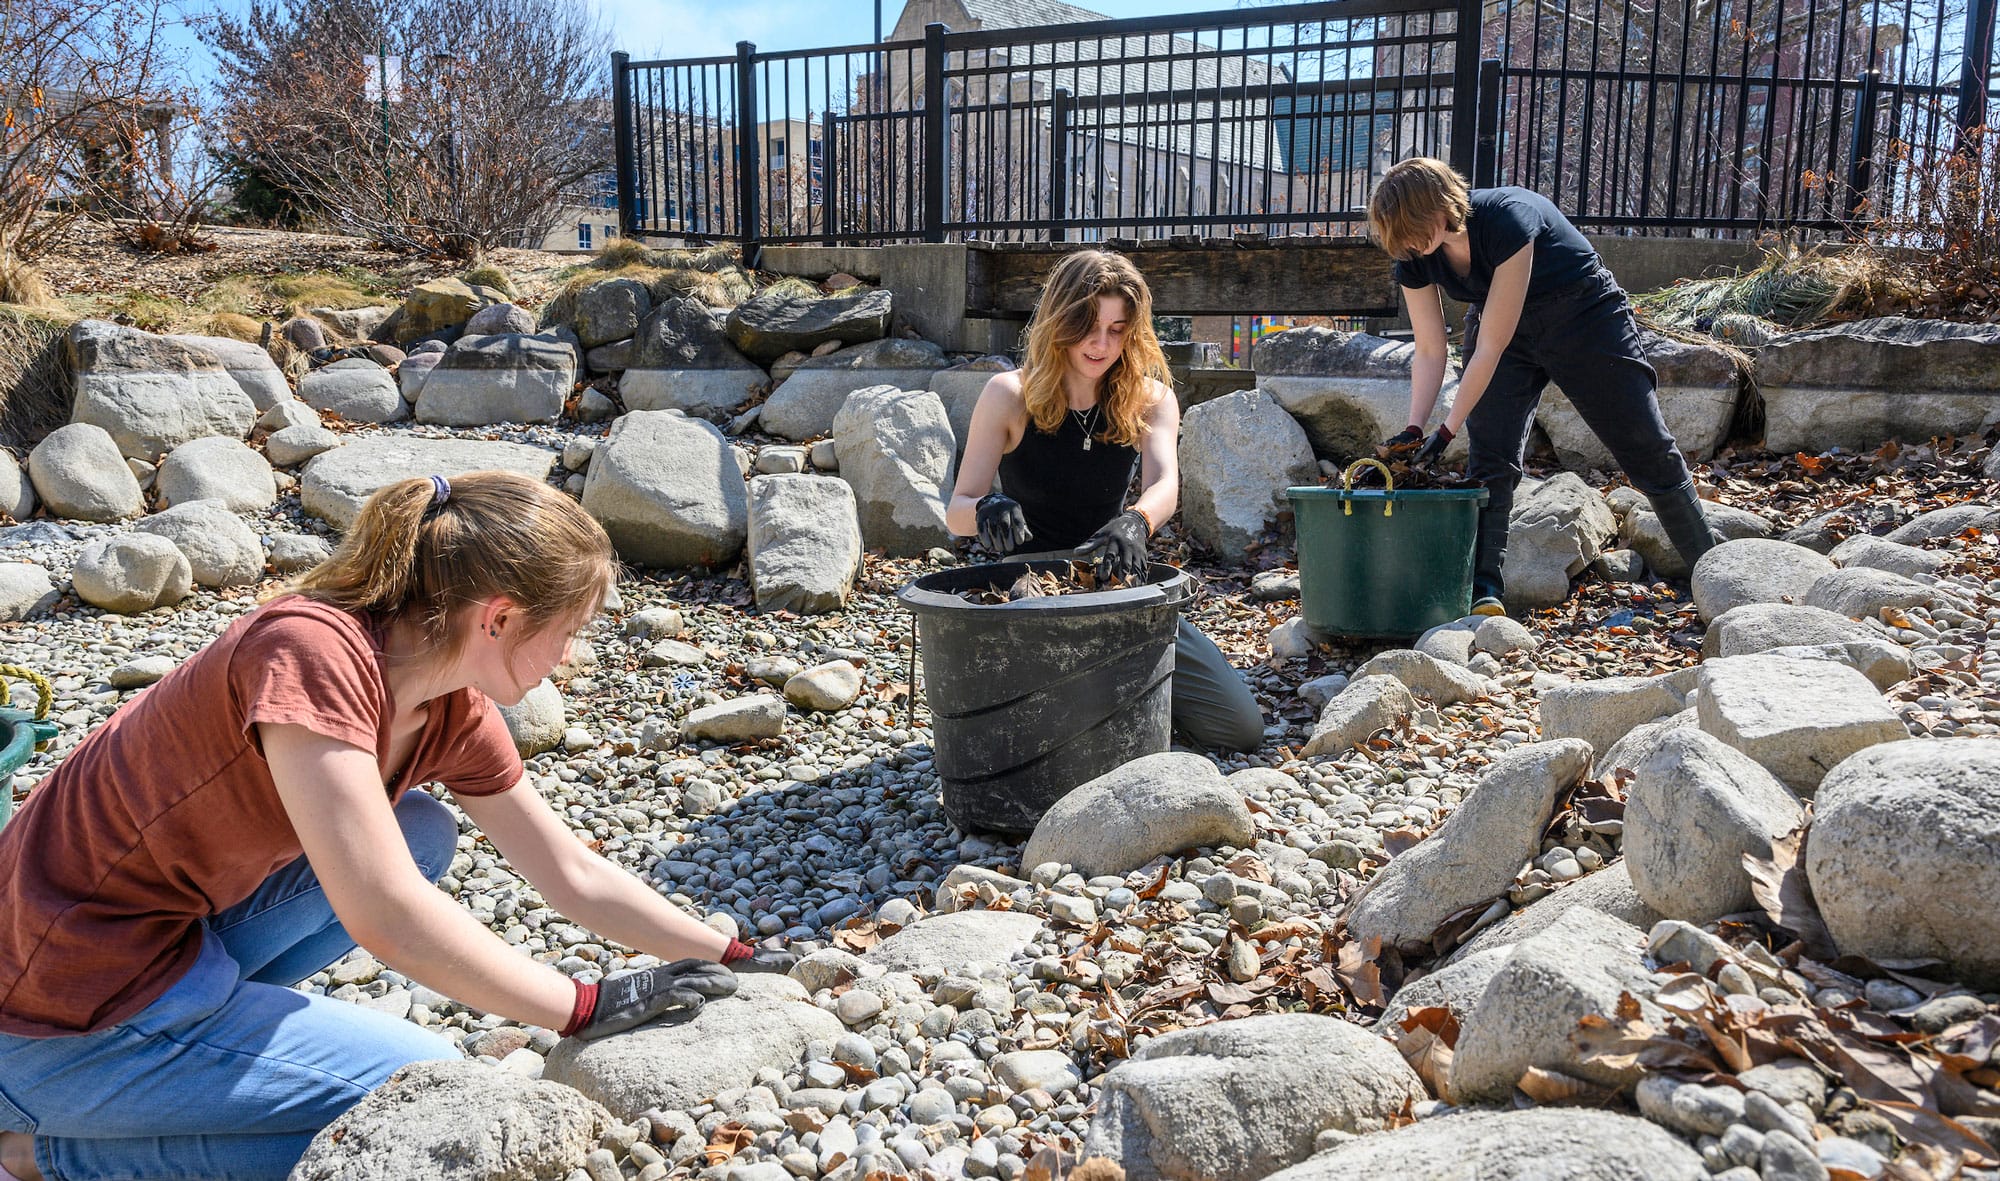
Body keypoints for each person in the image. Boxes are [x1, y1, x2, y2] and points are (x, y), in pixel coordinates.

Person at [0, 472, 788, 1181]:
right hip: (55, 1004)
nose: (573, 658)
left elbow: (569, 870)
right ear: (501, 616)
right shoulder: (312, 653)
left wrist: (728, 952)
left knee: (419, 829)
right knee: (427, 1098)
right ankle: (48, 1150)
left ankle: (202, 1052)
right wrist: (582, 1004)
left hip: (152, 941)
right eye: (569, 630)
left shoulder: (448, 706)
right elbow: (381, 909)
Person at [946, 249, 1265, 753]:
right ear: (1059, 320)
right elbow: (958, 508)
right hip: (1029, 593)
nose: (1101, 343)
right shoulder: (1008, 394)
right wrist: (986, 510)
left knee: (1241, 729)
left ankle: (1135, 698)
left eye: (1117, 329)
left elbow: (1165, 485)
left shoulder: (1151, 397)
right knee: (1058, 736)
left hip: (1116, 581)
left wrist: (1137, 521)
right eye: (1089, 326)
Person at [1368, 157, 1717, 614]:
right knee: (1490, 454)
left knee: (1644, 445)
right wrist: (1415, 429)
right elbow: (1432, 350)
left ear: (1442, 204)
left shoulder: (1508, 217)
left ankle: (1712, 573)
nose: (1413, 245)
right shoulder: (1416, 257)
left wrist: (1448, 428)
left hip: (1583, 315)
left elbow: (1490, 345)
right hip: (1499, 323)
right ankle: (1484, 594)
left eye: (1415, 230)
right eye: (1404, 241)